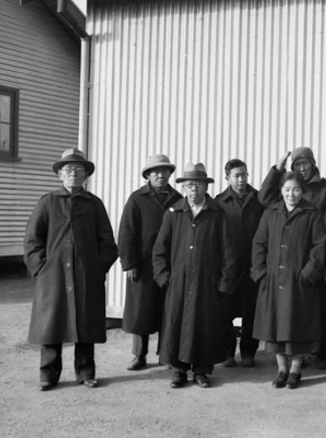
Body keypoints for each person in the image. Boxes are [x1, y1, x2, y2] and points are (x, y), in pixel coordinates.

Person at [24, 148, 118, 391]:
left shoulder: (94, 204)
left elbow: (108, 243)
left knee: (85, 325)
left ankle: (85, 372)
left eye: (79, 169)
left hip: (86, 274)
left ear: (86, 175)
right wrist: (41, 269)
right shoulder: (47, 202)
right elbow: (33, 241)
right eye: (68, 169)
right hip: (53, 276)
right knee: (51, 325)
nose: (74, 173)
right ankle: (48, 375)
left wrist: (98, 268)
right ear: (60, 175)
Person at [152, 163, 238, 389]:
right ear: (183, 188)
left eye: (198, 185)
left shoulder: (218, 214)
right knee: (177, 325)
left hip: (206, 283)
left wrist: (223, 283)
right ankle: (179, 370)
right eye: (190, 185)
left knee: (204, 325)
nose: (194, 190)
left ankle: (202, 371)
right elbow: (160, 250)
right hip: (178, 283)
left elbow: (229, 252)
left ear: (205, 186)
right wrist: (165, 279)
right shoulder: (173, 214)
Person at [258, 147, 326, 369]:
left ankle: (319, 353)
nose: (302, 168)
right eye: (297, 165)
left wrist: (308, 228)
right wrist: (277, 168)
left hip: (312, 259)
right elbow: (264, 197)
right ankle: (291, 361)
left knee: (312, 312)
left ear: (313, 165)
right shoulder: (284, 186)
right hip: (285, 263)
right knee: (285, 315)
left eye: (306, 164)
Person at [251, 172, 326, 389]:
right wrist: (260, 272)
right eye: (287, 189)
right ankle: (281, 370)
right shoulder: (271, 213)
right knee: (276, 328)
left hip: (298, 281)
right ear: (281, 191)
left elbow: (320, 248)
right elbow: (259, 243)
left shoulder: (312, 214)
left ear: (302, 191)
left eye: (295, 189)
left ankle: (295, 370)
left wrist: (308, 274)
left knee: (297, 327)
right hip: (273, 280)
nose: (291, 194)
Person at [118, 154, 182, 371]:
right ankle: (139, 354)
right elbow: (127, 232)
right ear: (148, 175)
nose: (161, 175)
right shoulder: (137, 198)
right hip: (143, 265)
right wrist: (129, 263)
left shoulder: (178, 199)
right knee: (140, 311)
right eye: (155, 172)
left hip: (170, 265)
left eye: (165, 171)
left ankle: (167, 354)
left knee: (169, 310)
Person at [215, 159, 264, 368]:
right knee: (225, 311)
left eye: (244, 174)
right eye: (237, 175)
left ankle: (248, 353)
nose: (242, 179)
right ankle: (227, 353)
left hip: (252, 266)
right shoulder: (219, 202)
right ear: (227, 178)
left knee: (251, 311)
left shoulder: (258, 199)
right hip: (228, 267)